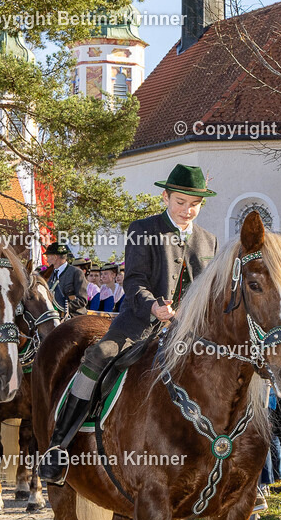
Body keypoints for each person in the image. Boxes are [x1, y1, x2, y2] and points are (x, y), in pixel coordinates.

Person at [39, 163, 218, 485]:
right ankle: (59, 444)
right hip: (137, 323)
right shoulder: (144, 229)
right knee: (98, 355)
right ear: (165, 197)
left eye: (195, 204)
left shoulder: (209, 241)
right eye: (180, 202)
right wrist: (153, 306)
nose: (187, 210)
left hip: (189, 331)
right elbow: (134, 281)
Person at [44, 243, 88, 318]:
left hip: (74, 317)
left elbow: (82, 300)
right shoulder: (50, 274)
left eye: (48, 257)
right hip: (55, 316)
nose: (47, 260)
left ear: (55, 257)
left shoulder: (76, 273)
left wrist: (62, 308)